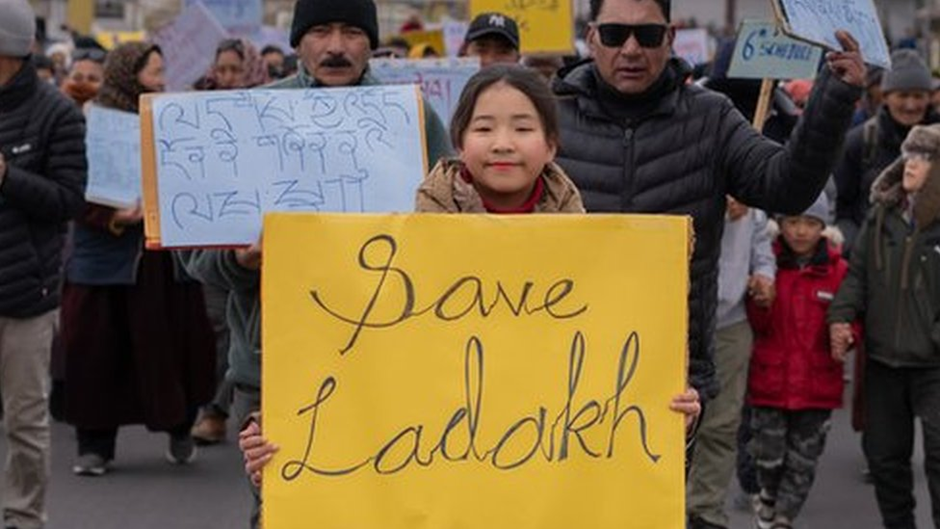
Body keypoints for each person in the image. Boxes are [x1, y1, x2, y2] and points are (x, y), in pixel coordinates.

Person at [238, 63, 703, 485]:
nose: (503, 143)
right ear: (460, 142)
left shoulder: (601, 266)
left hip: (547, 491)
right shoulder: (389, 260)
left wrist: (667, 415)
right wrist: (283, 436)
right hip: (426, 484)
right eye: (484, 127)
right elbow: (351, 365)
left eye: (522, 127)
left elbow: (615, 381)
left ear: (551, 145)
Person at [178, 0, 451, 525]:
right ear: (298, 42)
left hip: (391, 356)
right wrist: (241, 261)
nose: (335, 47)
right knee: (285, 509)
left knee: (389, 505)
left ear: (370, 41)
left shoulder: (413, 116)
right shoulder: (250, 115)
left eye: (351, 32)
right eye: (321, 30)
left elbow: (452, 234)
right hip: (275, 365)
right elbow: (197, 259)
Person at [551, 0, 865, 405]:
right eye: (614, 34)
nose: (630, 49)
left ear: (670, 38)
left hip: (672, 376)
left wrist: (833, 99)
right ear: (592, 37)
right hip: (563, 359)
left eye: (646, 35)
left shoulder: (711, 118)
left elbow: (786, 188)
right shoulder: (550, 118)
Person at [61, 42, 216, 477]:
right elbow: (72, 185)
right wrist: (110, 215)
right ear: (130, 74)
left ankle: (180, 426)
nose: (162, 79)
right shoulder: (90, 123)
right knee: (97, 352)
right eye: (154, 71)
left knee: (173, 347)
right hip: (105, 263)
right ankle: (95, 445)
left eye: (164, 70)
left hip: (161, 260)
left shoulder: (172, 118)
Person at [1, 0, 87, 526]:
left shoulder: (58, 112)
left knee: (25, 422)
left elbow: (68, 201)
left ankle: (23, 518)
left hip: (25, 299)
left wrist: (8, 176)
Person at [829, 123, 940, 529]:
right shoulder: (882, 213)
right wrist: (840, 317)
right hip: (883, 361)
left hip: (933, 365)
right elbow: (857, 274)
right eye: (910, 155)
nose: (912, 165)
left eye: (924, 158)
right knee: (885, 460)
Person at [747, 194, 851, 529]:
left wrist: (847, 334)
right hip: (771, 381)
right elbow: (756, 325)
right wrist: (761, 301)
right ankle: (767, 497)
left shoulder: (838, 271)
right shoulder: (768, 266)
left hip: (816, 384)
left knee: (803, 461)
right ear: (782, 225)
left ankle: (784, 518)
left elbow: (851, 316)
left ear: (823, 228)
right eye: (793, 222)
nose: (801, 231)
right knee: (769, 455)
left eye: (810, 223)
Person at [687, 197, 775, 529]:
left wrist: (764, 278)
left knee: (722, 423)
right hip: (678, 318)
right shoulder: (690, 182)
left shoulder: (754, 208)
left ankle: (705, 511)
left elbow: (762, 251)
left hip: (730, 322)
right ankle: (663, 502)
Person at [835, 49, 938, 255]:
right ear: (885, 96)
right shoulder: (859, 142)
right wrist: (858, 249)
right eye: (903, 95)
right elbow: (841, 207)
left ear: (929, 97)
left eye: (918, 96)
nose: (910, 105)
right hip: (875, 260)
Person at [202, 38, 269, 91]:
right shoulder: (201, 104)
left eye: (235, 70)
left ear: (251, 71)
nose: (228, 78)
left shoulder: (271, 103)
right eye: (221, 70)